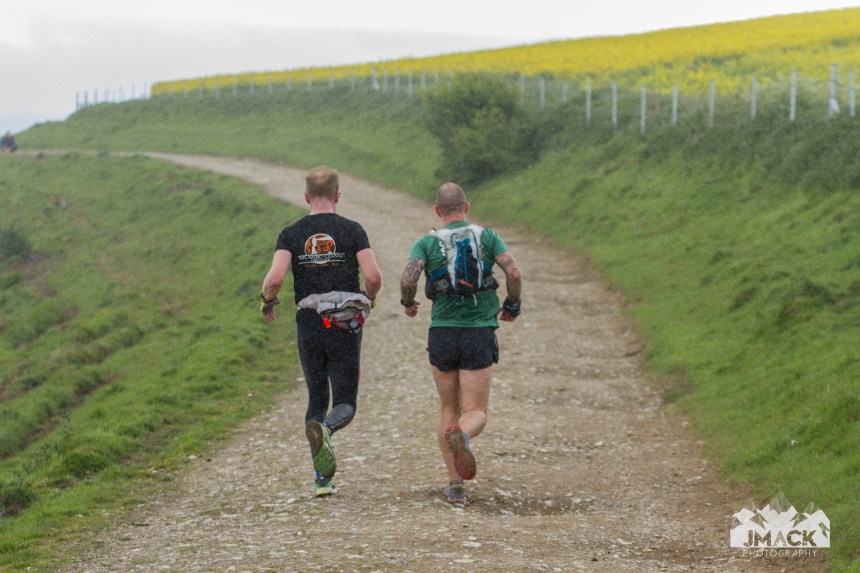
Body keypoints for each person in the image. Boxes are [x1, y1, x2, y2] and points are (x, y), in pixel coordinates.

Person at [260, 165, 382, 498]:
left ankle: (322, 480)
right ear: (337, 195)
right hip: (344, 322)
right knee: (344, 402)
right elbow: (373, 277)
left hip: (309, 321)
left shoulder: (291, 233)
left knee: (316, 398)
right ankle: (327, 429)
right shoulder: (353, 230)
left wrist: (267, 302)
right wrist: (369, 300)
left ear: (306, 197)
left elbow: (273, 280)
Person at [400, 182, 522, 505]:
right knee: (475, 410)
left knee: (448, 407)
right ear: (466, 207)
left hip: (441, 333)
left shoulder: (426, 242)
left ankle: (455, 486)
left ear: (438, 211)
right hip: (478, 332)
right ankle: (464, 435)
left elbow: (408, 279)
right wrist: (512, 304)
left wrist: (408, 303)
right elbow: (514, 272)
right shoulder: (488, 237)